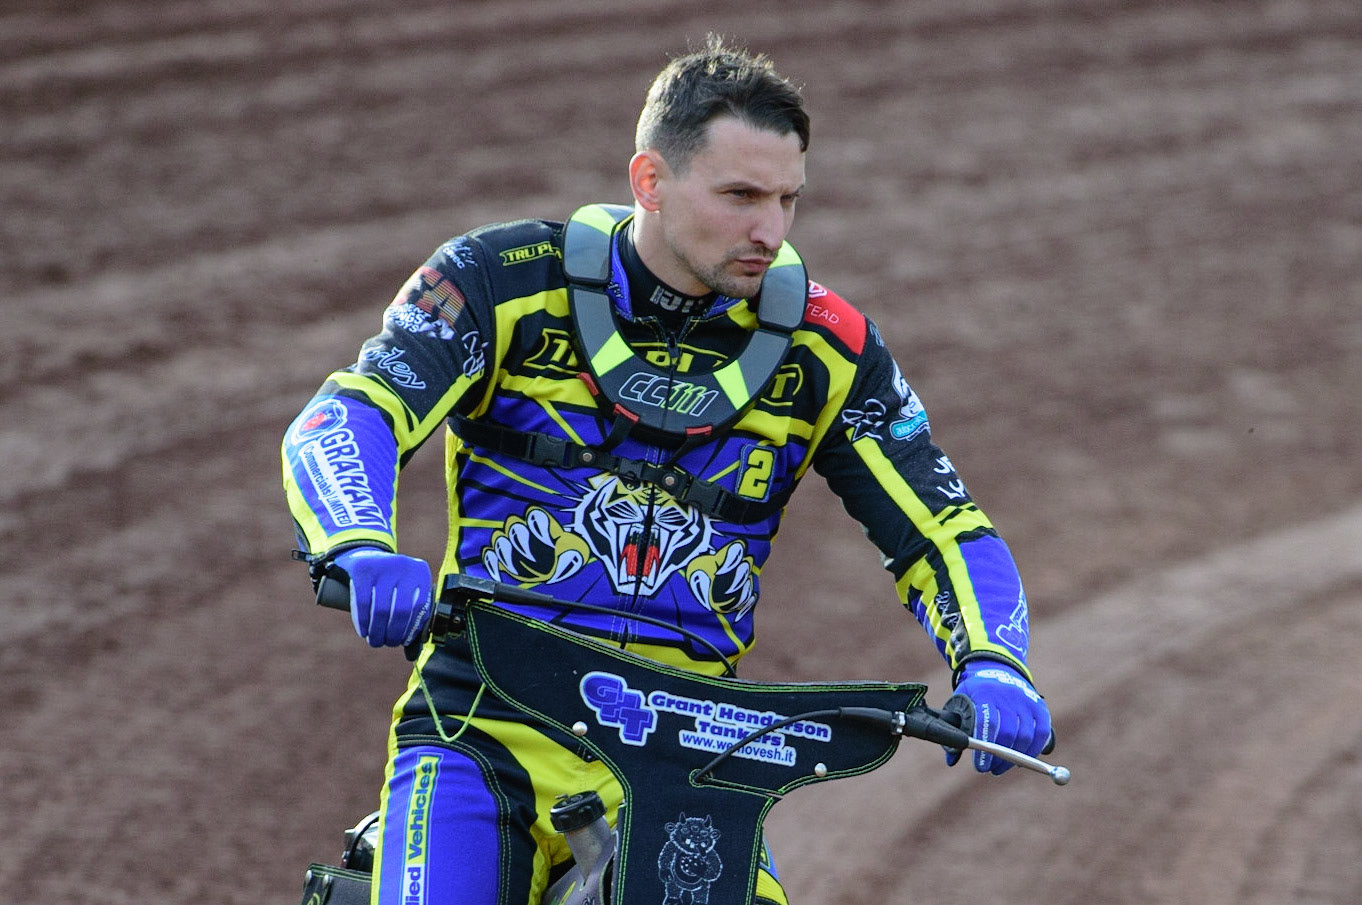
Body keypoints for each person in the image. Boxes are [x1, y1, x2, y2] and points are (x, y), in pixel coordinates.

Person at [282, 35, 1052, 905]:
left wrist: (995, 660)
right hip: (479, 722)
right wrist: (354, 539)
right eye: (741, 196)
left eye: (789, 199)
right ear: (650, 181)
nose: (771, 229)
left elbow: (943, 525)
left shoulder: (829, 346)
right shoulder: (497, 280)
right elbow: (352, 411)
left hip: (688, 745)